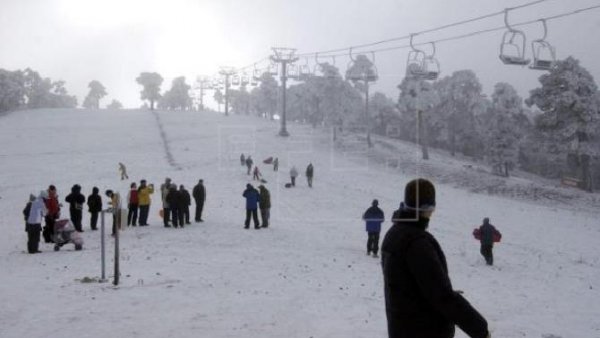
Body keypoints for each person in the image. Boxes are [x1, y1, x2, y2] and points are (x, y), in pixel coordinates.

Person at [381, 178, 489, 338]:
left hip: (402, 326)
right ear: (428, 207)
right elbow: (441, 295)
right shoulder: (417, 242)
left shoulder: (394, 233)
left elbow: (407, 283)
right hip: (423, 329)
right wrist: (479, 328)